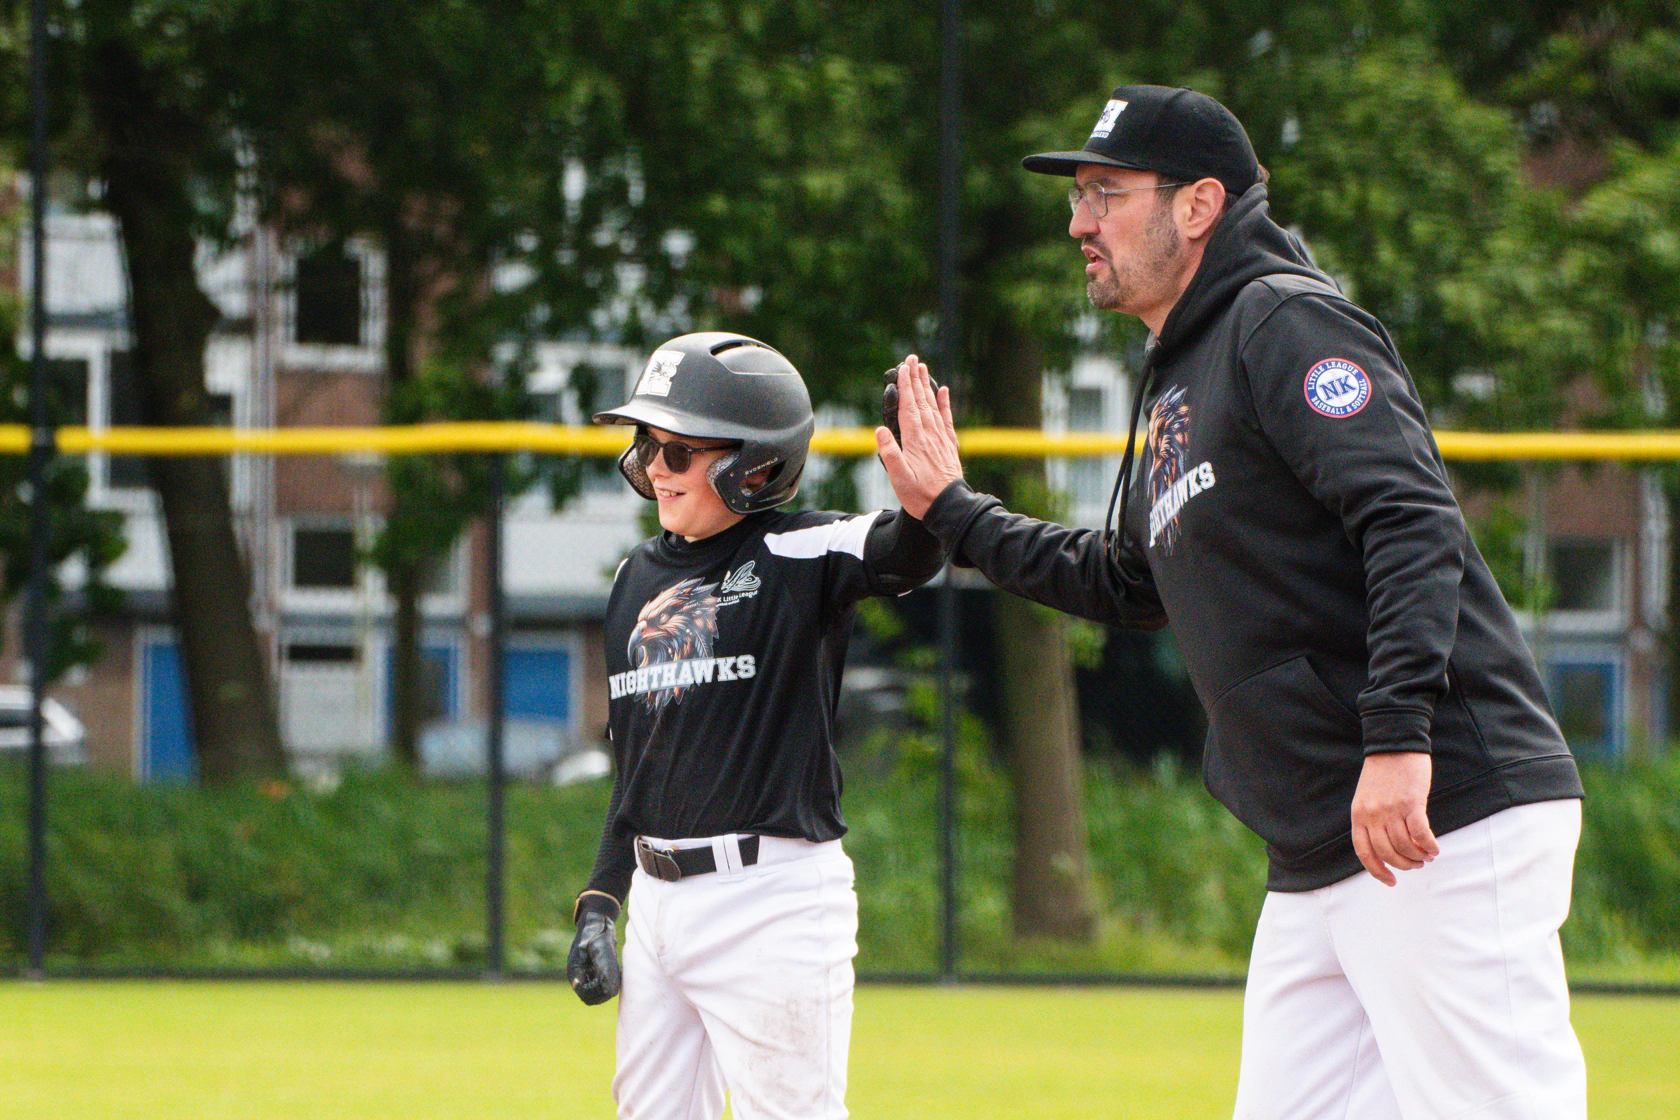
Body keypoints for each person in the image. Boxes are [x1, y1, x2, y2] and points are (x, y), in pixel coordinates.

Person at [876, 85, 1587, 1120]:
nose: (1078, 222)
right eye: (1078, 197)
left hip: (1441, 814)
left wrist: (1396, 738)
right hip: (1317, 848)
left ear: (1199, 203)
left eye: (1106, 193)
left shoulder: (1281, 322)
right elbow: (1125, 580)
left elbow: (1410, 520)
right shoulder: (1179, 373)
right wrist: (954, 512)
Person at [566, 331, 945, 1120]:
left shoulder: (799, 549)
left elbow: (910, 556)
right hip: (659, 903)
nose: (654, 469)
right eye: (647, 446)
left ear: (756, 465)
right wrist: (601, 902)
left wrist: (927, 488)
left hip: (769, 901)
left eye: (678, 451)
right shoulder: (636, 578)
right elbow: (634, 771)